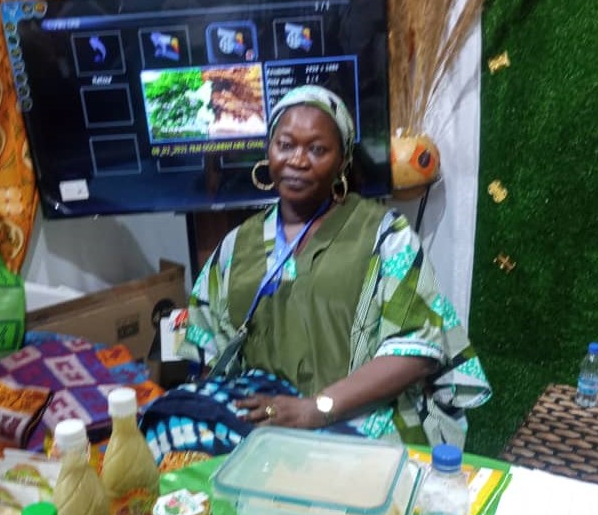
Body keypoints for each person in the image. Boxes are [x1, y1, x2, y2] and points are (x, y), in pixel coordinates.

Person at [141, 85, 490, 460]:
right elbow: (207, 350)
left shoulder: (385, 237)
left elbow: (417, 352)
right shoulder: (236, 246)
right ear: (269, 151)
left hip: (361, 415)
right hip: (267, 412)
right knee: (167, 421)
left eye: (317, 149)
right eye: (285, 145)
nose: (298, 160)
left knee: (330, 476)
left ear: (342, 160)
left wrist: (315, 409)